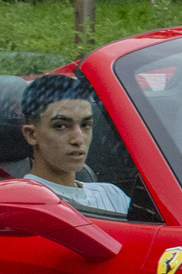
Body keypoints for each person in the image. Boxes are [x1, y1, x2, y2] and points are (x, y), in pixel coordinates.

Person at [19, 77, 133, 215]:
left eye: (86, 125)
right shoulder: (24, 202)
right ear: (31, 135)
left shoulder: (112, 194)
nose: (78, 139)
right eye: (60, 126)